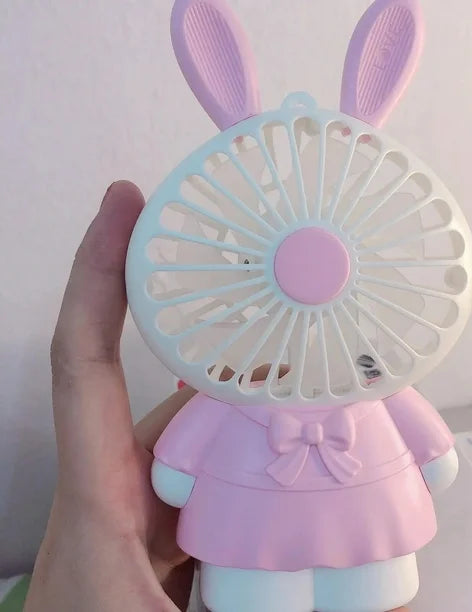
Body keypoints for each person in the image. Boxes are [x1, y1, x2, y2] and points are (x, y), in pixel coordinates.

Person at [24, 181, 408, 612]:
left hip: (315, 526)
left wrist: (178, 476)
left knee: (368, 582)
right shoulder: (229, 397)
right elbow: (437, 458)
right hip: (259, 538)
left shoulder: (236, 397)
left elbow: (172, 478)